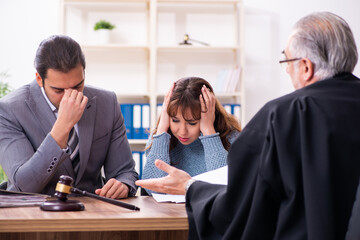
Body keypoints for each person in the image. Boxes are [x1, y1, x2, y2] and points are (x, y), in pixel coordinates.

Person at [136, 11, 360, 239]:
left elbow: (238, 207)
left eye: (287, 61)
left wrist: (190, 187)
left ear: (305, 67)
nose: (287, 70)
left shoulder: (280, 117)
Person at [0, 35, 138, 199]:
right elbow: (24, 185)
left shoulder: (107, 103)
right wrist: (63, 126)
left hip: (93, 211)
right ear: (39, 79)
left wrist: (123, 184)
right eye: (58, 90)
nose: (69, 96)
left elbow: (125, 172)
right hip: (35, 213)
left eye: (77, 86)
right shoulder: (10, 110)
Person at [142, 77, 241, 195]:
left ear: (209, 115)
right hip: (170, 212)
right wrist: (162, 128)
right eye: (175, 120)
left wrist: (209, 132)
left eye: (192, 123)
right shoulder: (160, 138)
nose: (182, 132)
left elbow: (226, 188)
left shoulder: (231, 138)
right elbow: (152, 190)